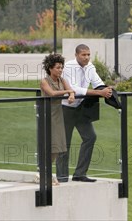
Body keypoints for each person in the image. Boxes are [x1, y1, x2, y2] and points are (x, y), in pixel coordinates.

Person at [57, 44, 113, 183]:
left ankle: (80, 174)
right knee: (65, 143)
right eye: (84, 55)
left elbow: (98, 84)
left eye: (88, 54)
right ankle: (62, 176)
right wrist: (99, 92)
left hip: (81, 108)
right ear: (76, 55)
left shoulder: (90, 67)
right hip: (65, 108)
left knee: (90, 137)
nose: (87, 57)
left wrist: (109, 90)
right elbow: (74, 89)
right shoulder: (68, 67)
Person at [40, 53, 75, 185]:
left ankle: (46, 172)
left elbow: (71, 90)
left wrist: (71, 94)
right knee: (50, 145)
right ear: (50, 68)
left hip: (58, 115)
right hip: (47, 114)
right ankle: (45, 173)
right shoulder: (45, 81)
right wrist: (69, 93)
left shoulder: (62, 80)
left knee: (58, 146)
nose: (60, 70)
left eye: (61, 67)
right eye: (58, 67)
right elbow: (52, 93)